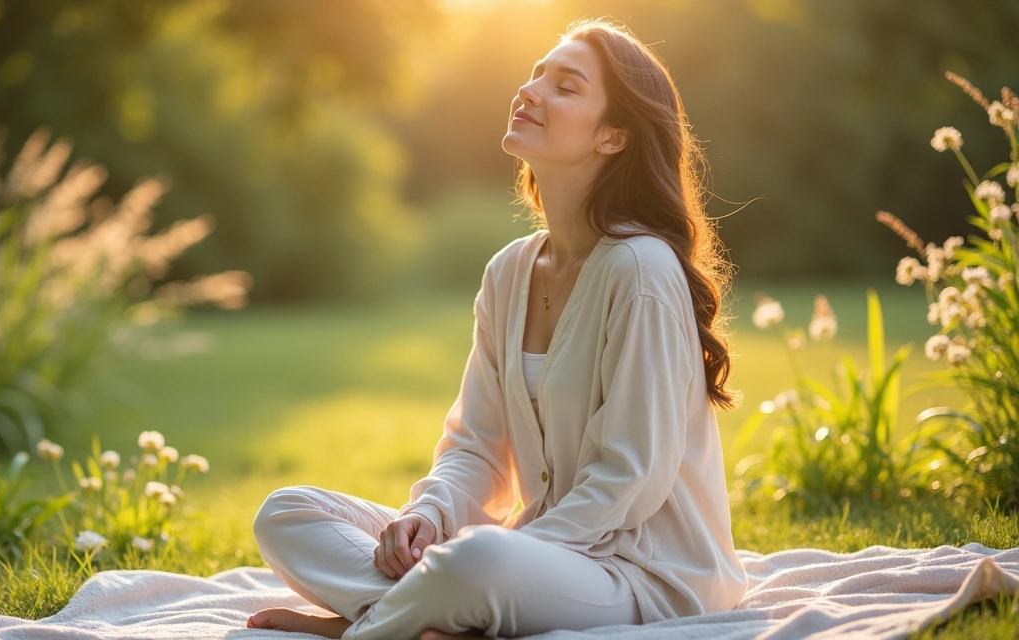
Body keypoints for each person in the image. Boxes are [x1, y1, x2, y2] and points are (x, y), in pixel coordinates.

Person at [246, 17, 748, 640]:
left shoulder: (639, 268)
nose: (530, 89)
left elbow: (632, 475)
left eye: (565, 85)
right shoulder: (510, 270)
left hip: (645, 575)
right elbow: (476, 446)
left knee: (478, 561)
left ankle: (358, 629)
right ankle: (423, 614)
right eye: (536, 73)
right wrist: (427, 518)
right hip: (535, 557)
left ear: (613, 136)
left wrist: (513, 552)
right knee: (288, 512)